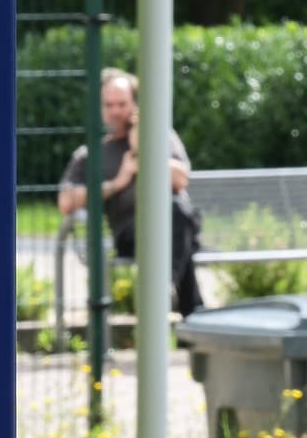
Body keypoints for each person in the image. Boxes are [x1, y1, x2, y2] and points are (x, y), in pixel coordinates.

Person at [59, 67, 202, 314]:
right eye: (109, 105)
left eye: (122, 104)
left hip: (175, 223)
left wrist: (145, 151)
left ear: (135, 104)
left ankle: (166, 291)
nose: (115, 111)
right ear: (101, 108)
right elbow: (65, 201)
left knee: (174, 211)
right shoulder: (91, 154)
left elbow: (180, 180)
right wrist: (118, 181)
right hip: (132, 234)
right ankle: (183, 305)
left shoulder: (159, 138)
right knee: (178, 226)